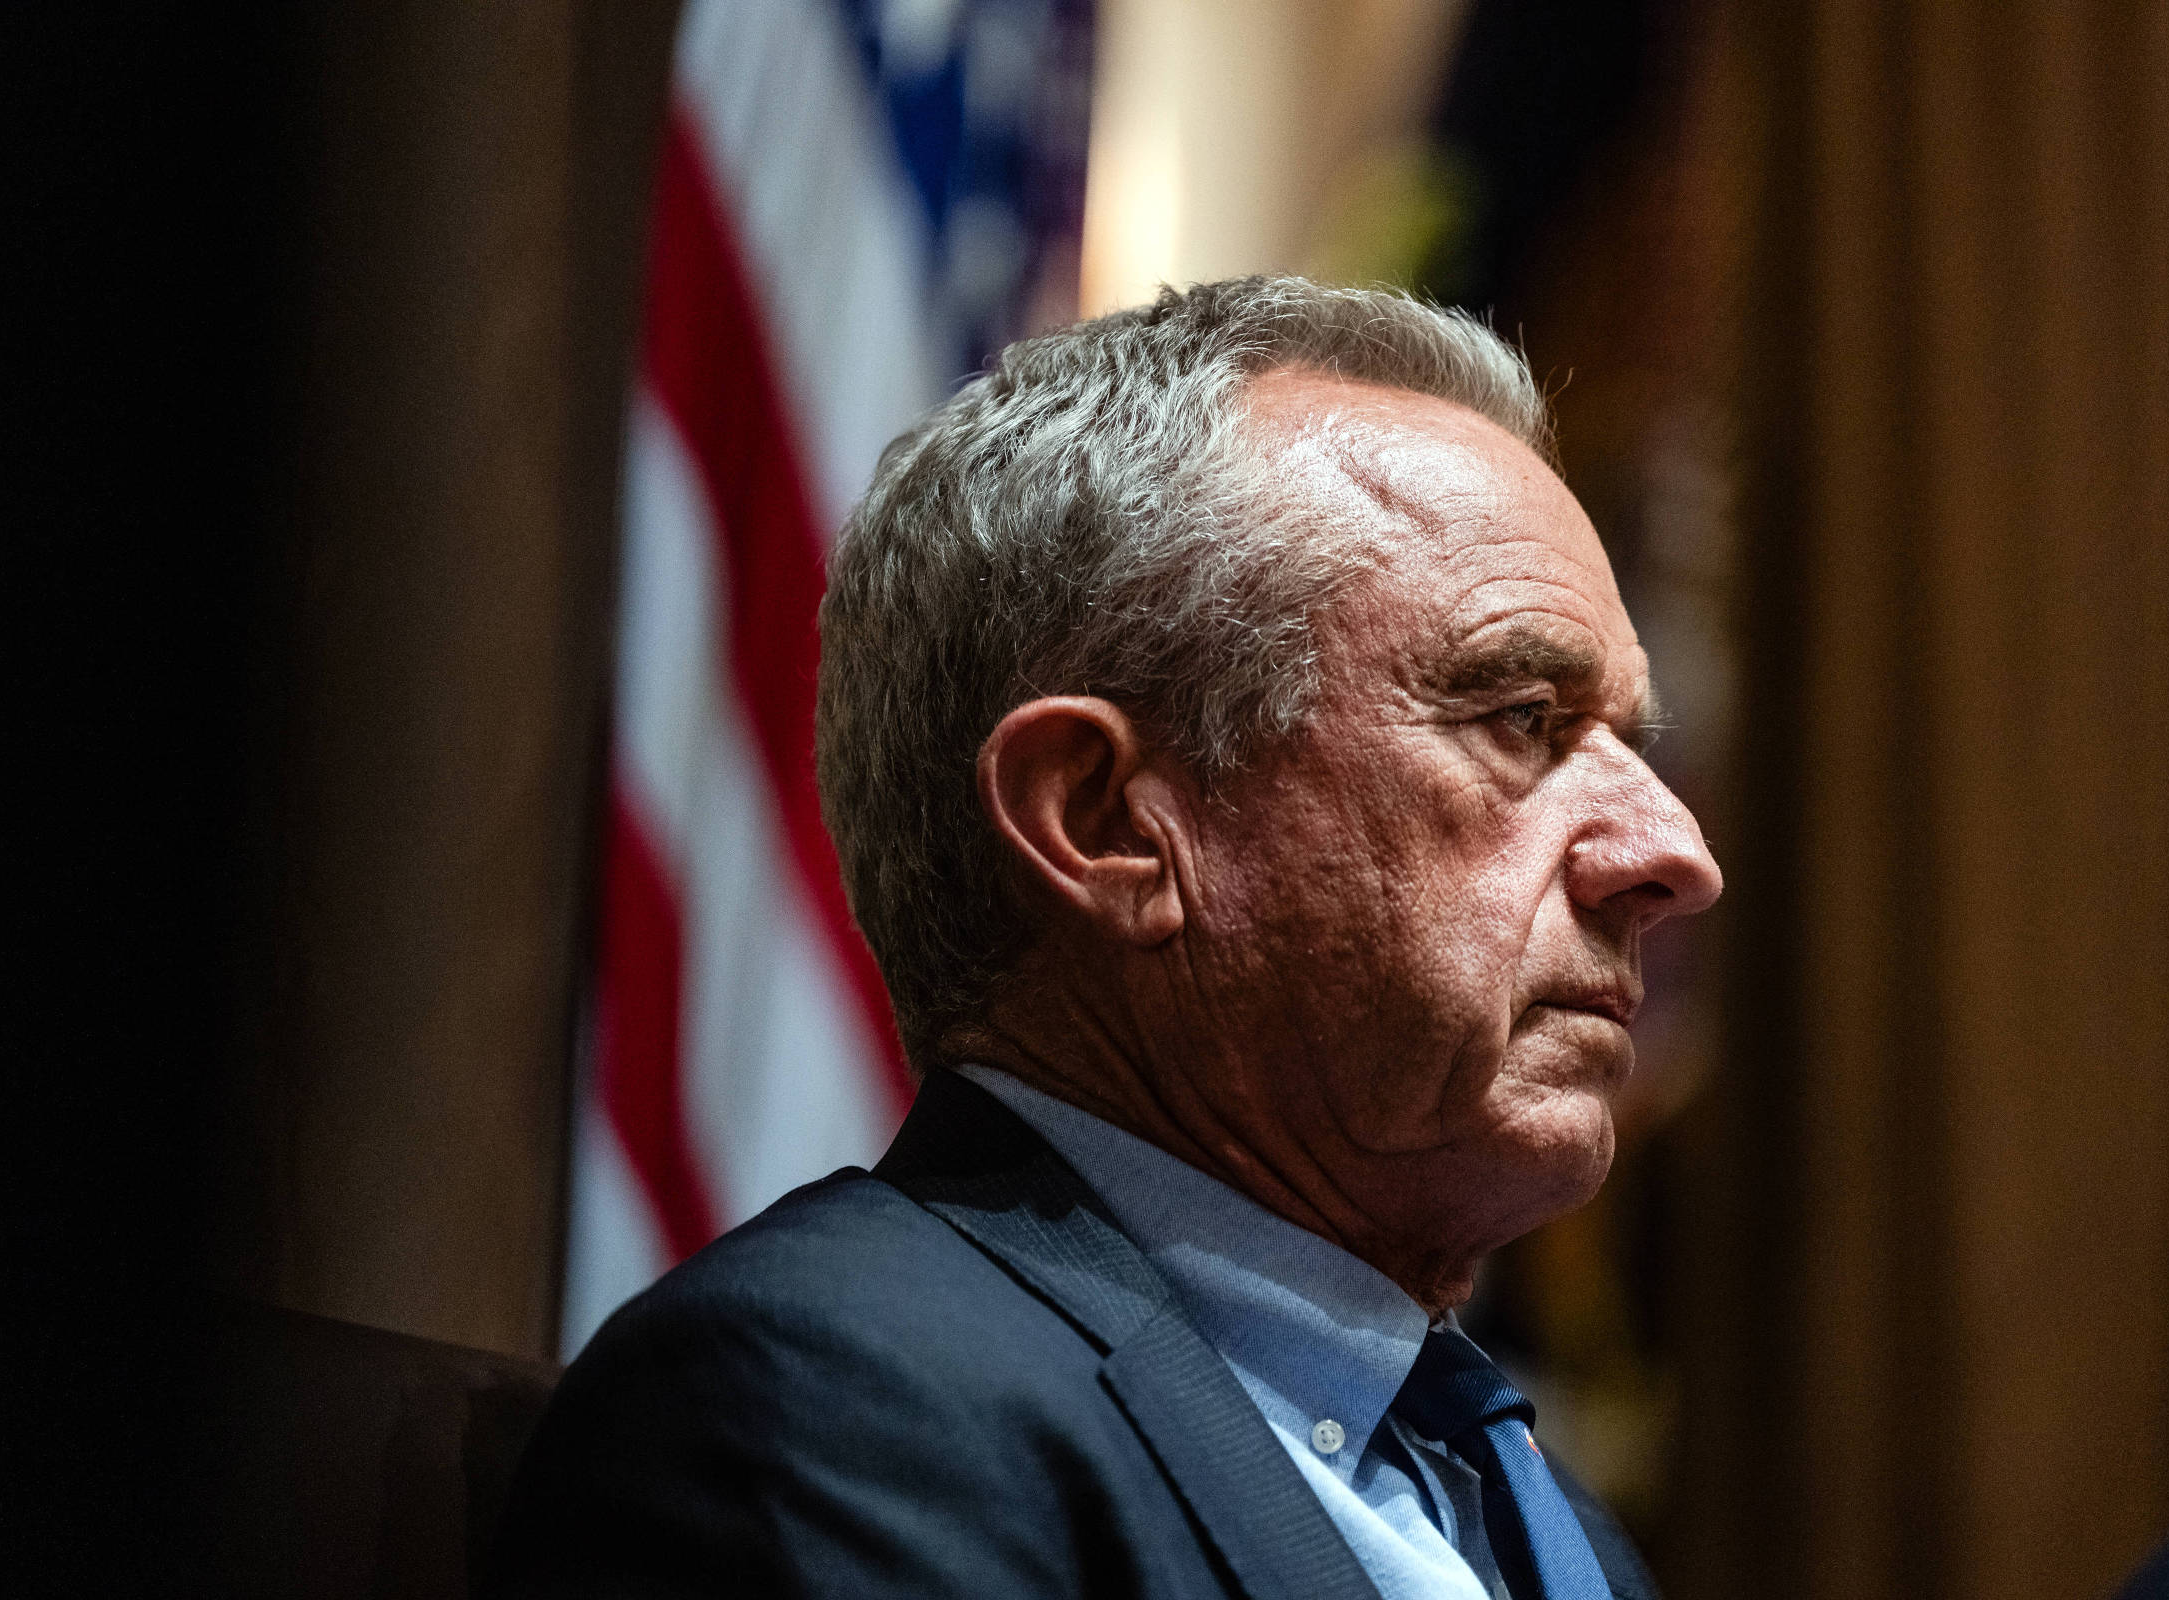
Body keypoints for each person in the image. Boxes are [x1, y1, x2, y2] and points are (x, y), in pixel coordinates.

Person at [496, 277, 1723, 1599]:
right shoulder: (826, 1407)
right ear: (1106, 822)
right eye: (1521, 720)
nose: (1673, 856)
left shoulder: (1539, 1516)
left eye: (1628, 745)